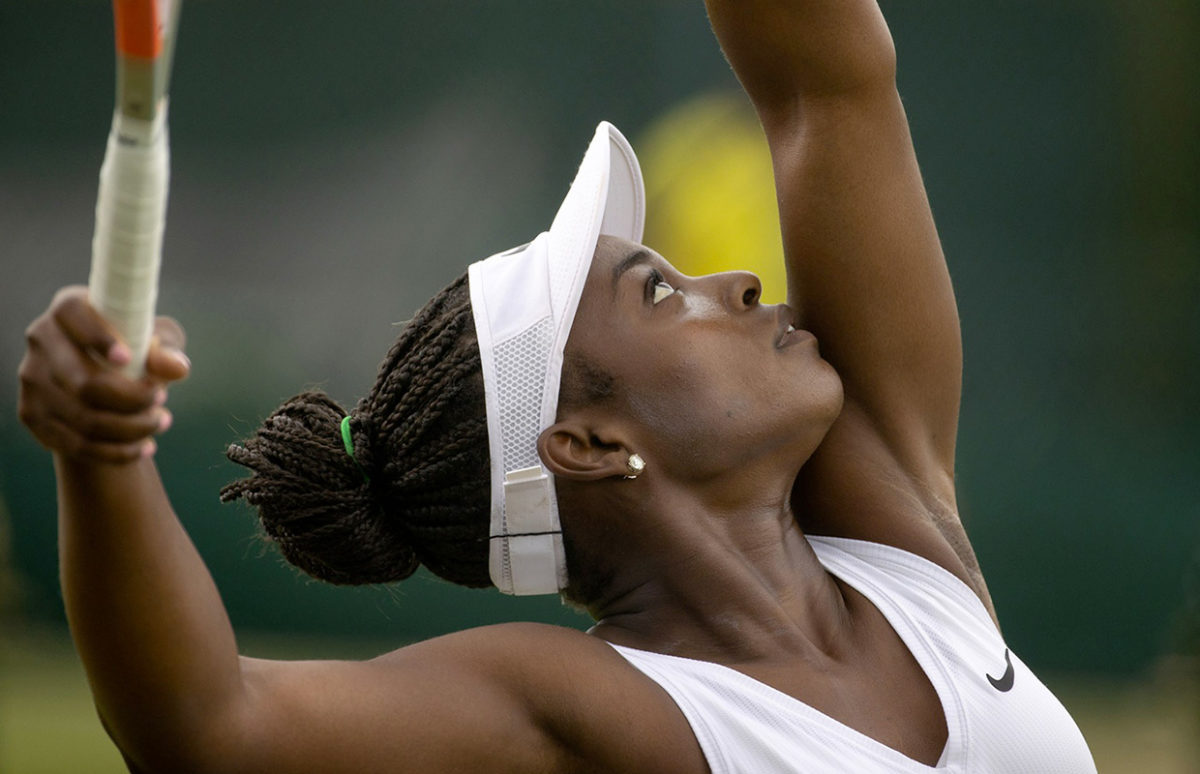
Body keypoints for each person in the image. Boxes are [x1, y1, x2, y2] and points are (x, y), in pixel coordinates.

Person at [17, 1, 1098, 772]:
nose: (736, 278)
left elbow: (827, 83)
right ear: (585, 443)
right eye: (663, 294)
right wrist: (100, 456)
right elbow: (208, 729)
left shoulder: (897, 539)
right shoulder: (604, 714)